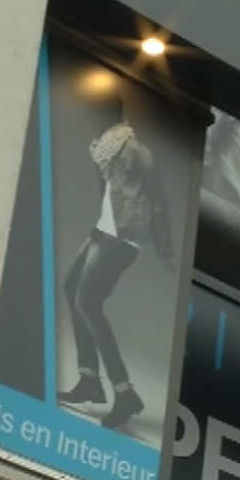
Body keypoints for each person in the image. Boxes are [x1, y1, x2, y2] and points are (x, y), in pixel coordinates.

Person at [57, 94, 175, 430]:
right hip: (104, 230)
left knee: (87, 304)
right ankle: (89, 379)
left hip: (122, 237)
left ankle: (125, 394)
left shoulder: (136, 150)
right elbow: (107, 192)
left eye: (92, 113)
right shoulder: (103, 149)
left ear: (106, 115)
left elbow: (158, 200)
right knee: (71, 289)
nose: (88, 119)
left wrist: (165, 250)